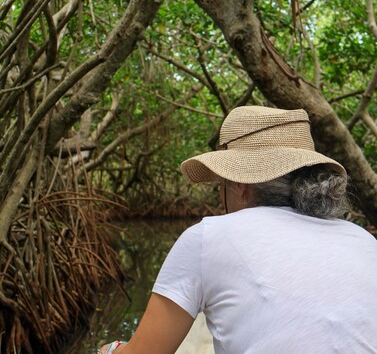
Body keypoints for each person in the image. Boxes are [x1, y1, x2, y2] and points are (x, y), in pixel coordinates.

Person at [99, 106, 377, 354]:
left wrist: (111, 350)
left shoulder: (208, 237)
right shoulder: (364, 241)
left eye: (222, 185)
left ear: (241, 187)